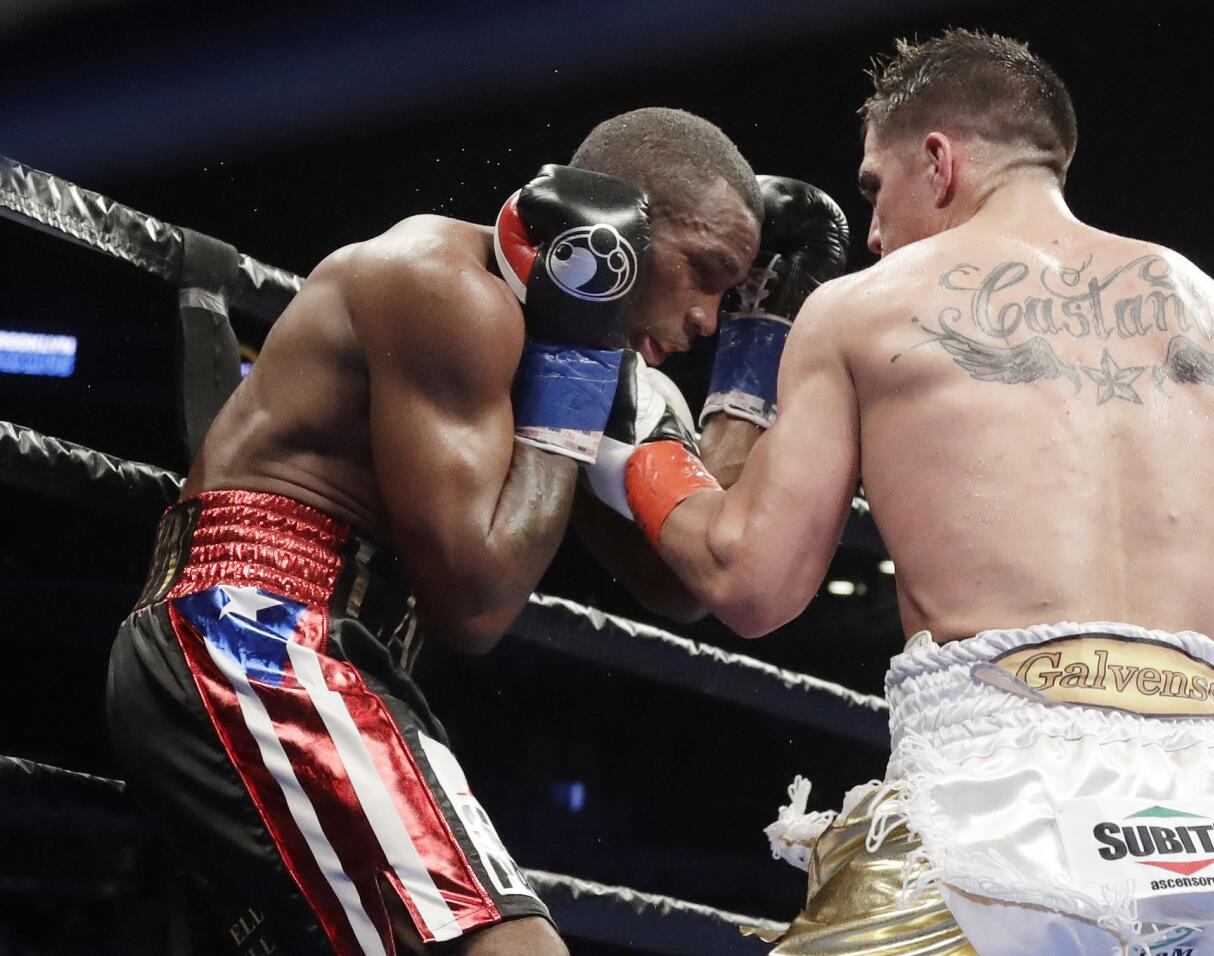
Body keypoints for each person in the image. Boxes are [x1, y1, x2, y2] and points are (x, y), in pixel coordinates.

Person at [584, 31, 1214, 956]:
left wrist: (640, 443)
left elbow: (752, 582)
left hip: (1000, 824)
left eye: (875, 188)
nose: (869, 231)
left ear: (938, 161)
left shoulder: (867, 306)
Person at [105, 107, 763, 956]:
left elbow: (691, 579)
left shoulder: (577, 348)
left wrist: (756, 357)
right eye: (704, 273)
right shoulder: (445, 289)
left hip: (337, 663)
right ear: (618, 231)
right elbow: (476, 604)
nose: (708, 317)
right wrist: (574, 378)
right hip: (255, 638)